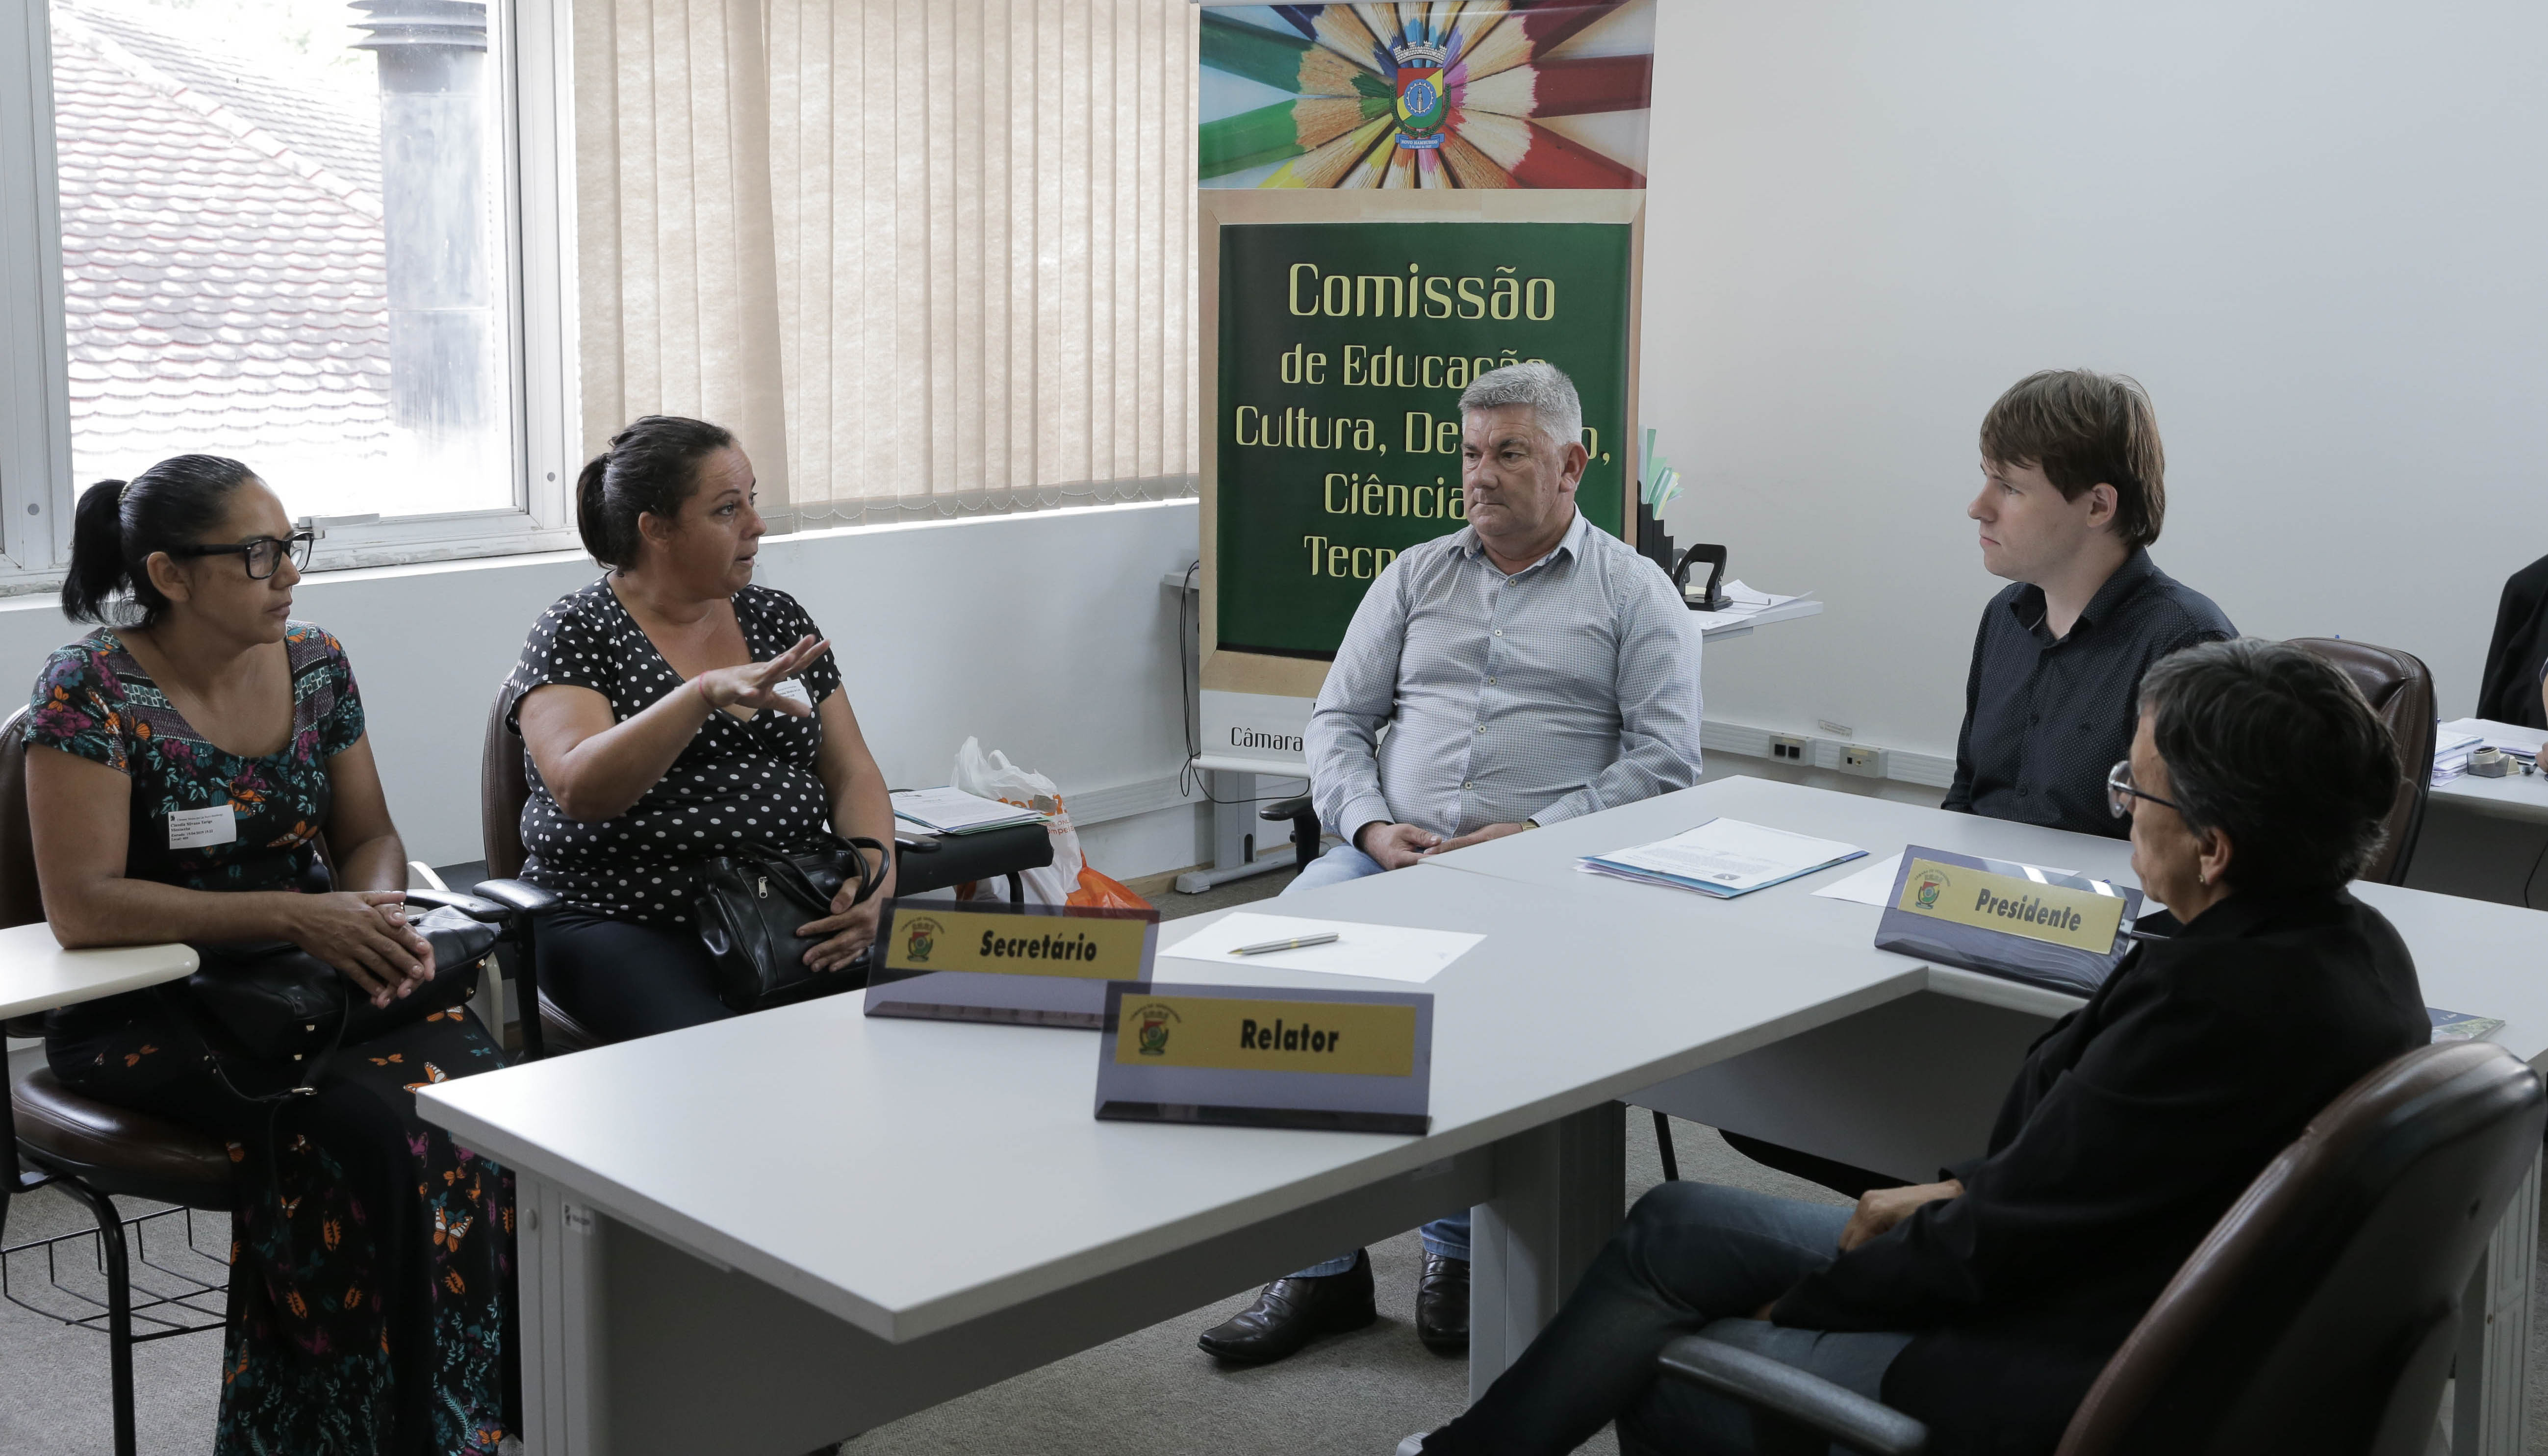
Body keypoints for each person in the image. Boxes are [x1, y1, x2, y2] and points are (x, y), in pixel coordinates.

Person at [1400, 637, 2427, 1456]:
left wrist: (1815, 1301)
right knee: (1672, 1222)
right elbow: (2110, 1184)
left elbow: (1999, 1252)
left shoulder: (2207, 1006)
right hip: (2120, 1298)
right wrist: (1954, 1191)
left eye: (2138, 788)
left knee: (1674, 1366)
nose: (2121, 805)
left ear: (2214, 845)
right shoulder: (2360, 950)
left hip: (2055, 1361)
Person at [1197, 362, 1704, 1366]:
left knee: (1471, 1007)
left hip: (1546, 874)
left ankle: (1459, 1248)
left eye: (1509, 452)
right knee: (1261, 959)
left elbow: (1665, 762)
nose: (1482, 474)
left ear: (1573, 463)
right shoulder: (1416, 575)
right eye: (1471, 453)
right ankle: (1321, 1263)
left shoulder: (1633, 592)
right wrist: (1368, 826)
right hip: (1393, 857)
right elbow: (1338, 720)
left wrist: (1539, 831)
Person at [27, 456, 516, 1455]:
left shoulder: (317, 660)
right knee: (368, 1132)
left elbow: (369, 831)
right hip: (152, 1003)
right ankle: (362, 1430)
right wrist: (298, 917)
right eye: (258, 553)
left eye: (292, 545)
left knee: (486, 1101)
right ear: (169, 573)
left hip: (312, 980)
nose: (287, 572)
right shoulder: (89, 688)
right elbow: (82, 905)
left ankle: (471, 1411)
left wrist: (372, 909)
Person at [503, 415, 896, 1042]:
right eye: (726, 509)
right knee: (738, 1060)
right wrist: (701, 694)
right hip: (623, 917)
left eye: (752, 501)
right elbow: (581, 789)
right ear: (656, 529)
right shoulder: (576, 629)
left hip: (783, 898)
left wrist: (877, 882)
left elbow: (853, 770)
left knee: (980, 993)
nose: (757, 525)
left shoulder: (777, 617)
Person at [1944, 369, 2234, 836]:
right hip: (1984, 879)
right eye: (1986, 478)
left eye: (2010, 487)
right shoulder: (2004, 616)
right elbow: (1966, 793)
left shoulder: (2188, 645)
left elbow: (2191, 850)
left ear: (2098, 505)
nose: (1978, 508)